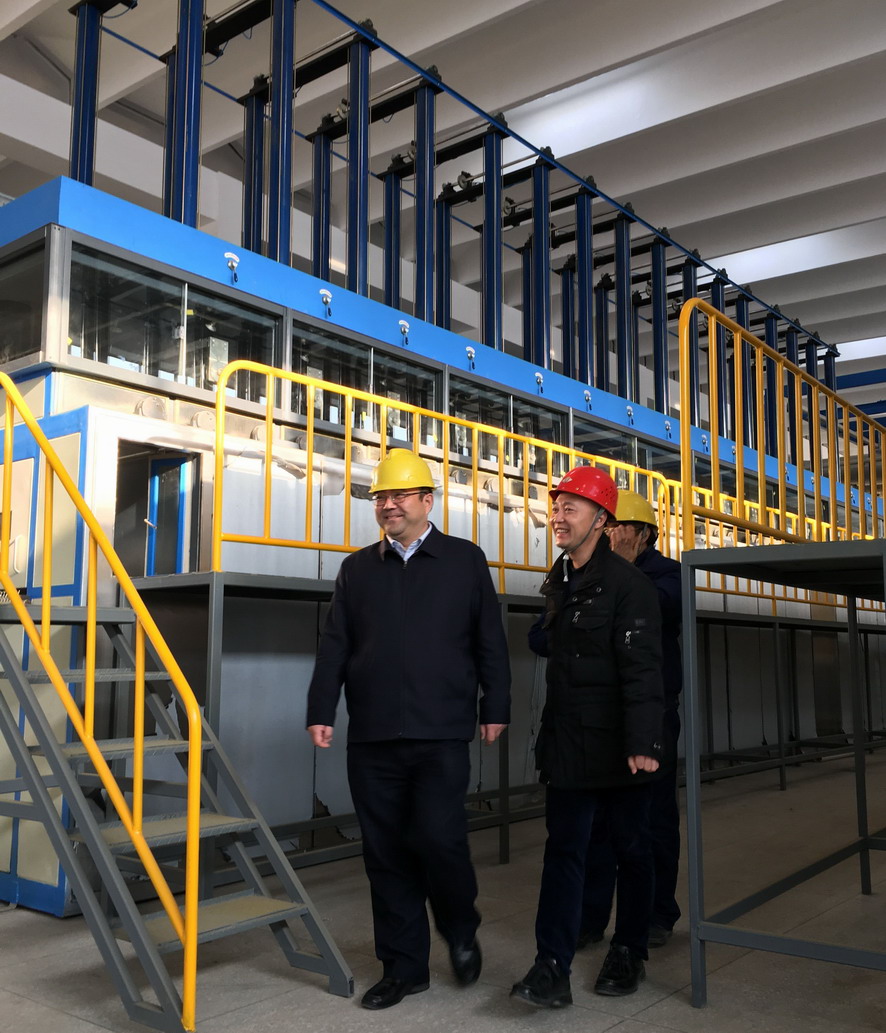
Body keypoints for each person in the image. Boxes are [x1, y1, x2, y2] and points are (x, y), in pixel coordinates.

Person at [306, 449, 511, 1011]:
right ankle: (403, 967)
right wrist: (321, 708)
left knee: (441, 841)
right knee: (386, 852)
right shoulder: (357, 569)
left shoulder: (464, 560)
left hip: (440, 732)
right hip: (373, 736)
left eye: (399, 495)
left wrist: (495, 705)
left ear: (427, 500)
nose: (388, 505)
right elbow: (335, 645)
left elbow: (489, 640)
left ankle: (460, 927)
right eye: (380, 497)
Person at [511, 467, 663, 1008]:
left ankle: (629, 950)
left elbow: (643, 669)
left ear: (601, 519)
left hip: (619, 746)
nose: (557, 516)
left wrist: (643, 742)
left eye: (570, 508)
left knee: (632, 850)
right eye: (555, 507)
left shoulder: (630, 586)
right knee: (564, 854)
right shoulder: (560, 579)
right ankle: (551, 965)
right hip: (568, 742)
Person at [577, 490, 683, 949]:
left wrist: (615, 571)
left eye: (619, 527)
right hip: (600, 712)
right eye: (607, 526)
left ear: (643, 534)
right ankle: (590, 919)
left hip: (651, 712)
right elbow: (547, 635)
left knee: (652, 817)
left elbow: (650, 609)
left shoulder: (669, 575)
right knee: (598, 821)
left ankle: (657, 914)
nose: (611, 535)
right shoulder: (585, 571)